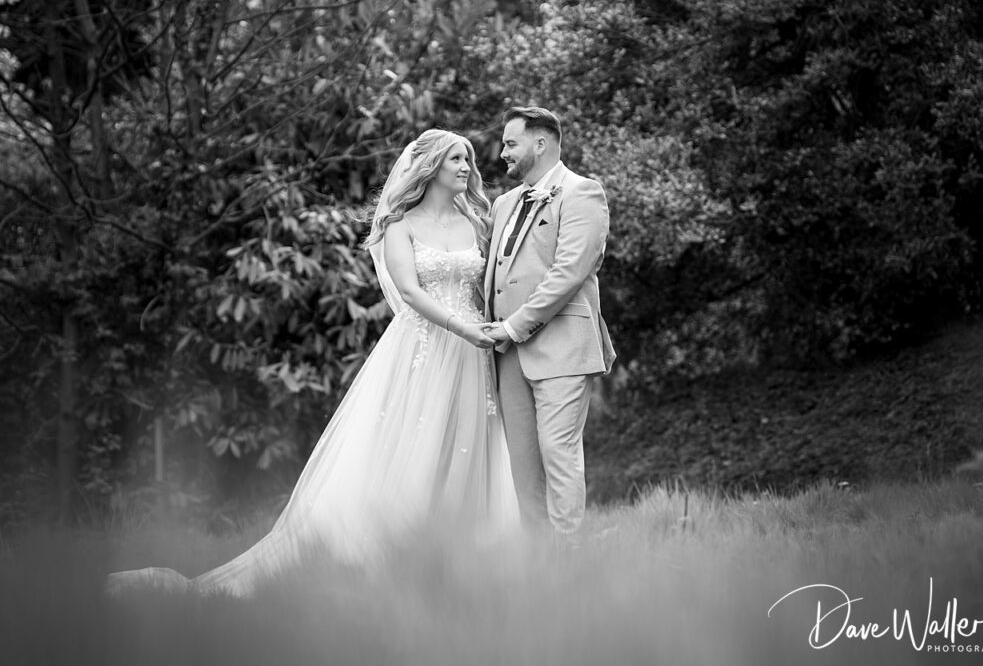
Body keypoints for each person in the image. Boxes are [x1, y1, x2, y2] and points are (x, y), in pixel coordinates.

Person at [107, 129, 519, 597]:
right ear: (429, 168)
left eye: (467, 159)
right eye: (455, 159)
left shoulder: (477, 222)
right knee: (415, 444)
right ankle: (393, 556)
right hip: (425, 347)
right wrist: (460, 327)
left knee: (466, 443)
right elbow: (408, 291)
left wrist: (488, 328)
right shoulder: (401, 226)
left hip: (473, 352)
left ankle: (466, 559)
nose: (466, 167)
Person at [483, 107, 616, 539]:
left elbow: (568, 273)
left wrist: (513, 325)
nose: (501, 152)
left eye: (509, 143)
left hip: (562, 348)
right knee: (522, 466)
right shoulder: (503, 204)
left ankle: (568, 563)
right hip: (507, 357)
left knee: (559, 454)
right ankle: (538, 573)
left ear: (540, 144)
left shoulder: (583, 193)